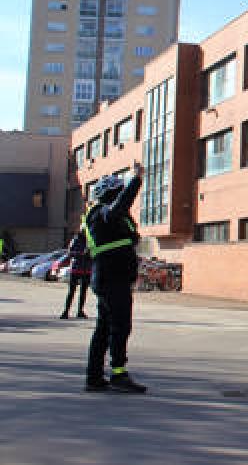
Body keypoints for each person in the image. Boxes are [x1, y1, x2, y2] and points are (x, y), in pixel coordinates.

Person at [82, 164, 146, 393]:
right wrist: (135, 181)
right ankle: (118, 374)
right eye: (118, 192)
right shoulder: (103, 213)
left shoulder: (101, 217)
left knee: (104, 328)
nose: (121, 197)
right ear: (111, 194)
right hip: (112, 280)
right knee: (120, 326)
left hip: (110, 279)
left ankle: (94, 376)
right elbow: (119, 207)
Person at [61, 229, 92, 319]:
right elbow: (70, 253)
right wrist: (82, 254)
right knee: (71, 291)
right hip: (76, 269)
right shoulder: (75, 240)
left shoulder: (90, 241)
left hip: (87, 269)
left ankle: (80, 311)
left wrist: (91, 255)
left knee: (83, 292)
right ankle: (66, 311)